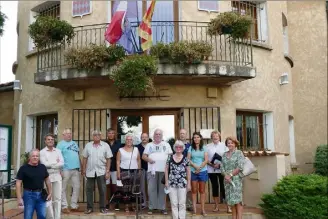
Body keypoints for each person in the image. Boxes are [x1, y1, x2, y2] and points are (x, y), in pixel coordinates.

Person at [142, 129, 173, 215]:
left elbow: (170, 156)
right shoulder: (149, 145)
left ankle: (162, 208)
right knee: (151, 189)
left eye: (159, 134)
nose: (158, 135)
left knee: (162, 190)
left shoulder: (166, 145)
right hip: (152, 171)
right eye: (156, 134)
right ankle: (151, 207)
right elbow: (143, 156)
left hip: (164, 171)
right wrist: (149, 159)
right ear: (154, 136)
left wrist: (168, 165)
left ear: (162, 136)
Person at [82, 130, 112, 214]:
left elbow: (109, 159)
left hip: (101, 171)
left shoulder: (105, 145)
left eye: (98, 135)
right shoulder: (88, 145)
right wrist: (83, 170)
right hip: (90, 171)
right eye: (95, 135)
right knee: (89, 190)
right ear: (92, 136)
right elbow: (84, 158)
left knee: (102, 190)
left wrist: (107, 171)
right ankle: (89, 208)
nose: (96, 136)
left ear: (101, 136)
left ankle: (102, 207)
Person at [16, 149, 52, 219]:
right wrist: (19, 198)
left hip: (41, 195)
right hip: (29, 195)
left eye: (37, 156)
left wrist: (50, 192)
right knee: (28, 216)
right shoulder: (23, 168)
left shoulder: (42, 167)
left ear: (39, 157)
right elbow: (18, 183)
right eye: (33, 156)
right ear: (29, 157)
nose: (35, 157)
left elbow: (47, 180)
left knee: (42, 216)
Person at [56, 128, 81, 213]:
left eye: (70, 133)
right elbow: (57, 158)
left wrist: (79, 167)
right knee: (63, 188)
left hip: (76, 169)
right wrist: (60, 169)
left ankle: (74, 205)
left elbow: (77, 155)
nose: (69, 135)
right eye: (67, 133)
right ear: (63, 135)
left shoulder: (74, 143)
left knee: (76, 187)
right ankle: (64, 206)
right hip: (65, 169)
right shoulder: (60, 144)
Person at [40, 134, 64, 219]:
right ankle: (50, 217)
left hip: (57, 175)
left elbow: (62, 163)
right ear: (45, 141)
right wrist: (55, 163)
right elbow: (44, 164)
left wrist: (51, 164)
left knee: (57, 198)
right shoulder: (42, 152)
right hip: (47, 177)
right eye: (48, 139)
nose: (50, 141)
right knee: (48, 198)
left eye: (52, 139)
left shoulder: (58, 151)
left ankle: (57, 217)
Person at [165, 140, 191, 219]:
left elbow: (188, 171)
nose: (178, 148)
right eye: (176, 147)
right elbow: (166, 169)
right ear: (174, 148)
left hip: (182, 184)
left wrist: (189, 183)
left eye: (180, 147)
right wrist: (166, 182)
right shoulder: (169, 157)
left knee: (182, 203)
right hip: (171, 183)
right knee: (174, 203)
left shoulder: (186, 159)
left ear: (183, 148)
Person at [206, 130, 231, 212]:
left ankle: (228, 207)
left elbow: (228, 157)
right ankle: (216, 206)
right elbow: (205, 159)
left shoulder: (224, 146)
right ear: (211, 138)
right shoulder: (207, 146)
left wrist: (220, 165)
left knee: (224, 188)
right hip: (211, 170)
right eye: (213, 136)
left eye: (217, 136)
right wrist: (212, 164)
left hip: (222, 170)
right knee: (215, 187)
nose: (215, 137)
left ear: (219, 137)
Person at [221, 136, 245, 219]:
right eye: (228, 143)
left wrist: (230, 175)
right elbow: (222, 167)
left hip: (236, 180)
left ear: (235, 144)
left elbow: (240, 167)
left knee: (238, 201)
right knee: (232, 202)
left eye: (232, 143)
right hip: (227, 181)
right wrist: (226, 176)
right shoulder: (224, 154)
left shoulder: (239, 153)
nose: (230, 144)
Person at [116, 134, 141, 213]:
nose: (129, 141)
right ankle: (126, 206)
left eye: (130, 140)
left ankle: (133, 206)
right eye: (127, 139)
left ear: (133, 141)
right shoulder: (120, 150)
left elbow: (138, 160)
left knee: (134, 189)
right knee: (125, 190)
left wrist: (139, 170)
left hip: (135, 171)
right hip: (124, 171)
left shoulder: (136, 149)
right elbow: (117, 162)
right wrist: (118, 172)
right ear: (125, 141)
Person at [187, 132, 208, 216]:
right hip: (193, 171)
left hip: (202, 171)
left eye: (197, 137)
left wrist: (199, 168)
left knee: (202, 191)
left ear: (200, 138)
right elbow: (188, 159)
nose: (196, 139)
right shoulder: (190, 148)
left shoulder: (204, 148)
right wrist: (195, 166)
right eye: (194, 137)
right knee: (194, 191)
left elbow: (206, 160)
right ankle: (194, 210)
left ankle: (203, 210)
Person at [104, 128, 122, 210]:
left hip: (115, 167)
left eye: (112, 133)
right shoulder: (104, 143)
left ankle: (116, 202)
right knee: (107, 185)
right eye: (109, 133)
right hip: (105, 167)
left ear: (115, 134)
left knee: (115, 185)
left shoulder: (119, 143)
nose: (111, 134)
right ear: (107, 134)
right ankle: (107, 202)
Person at [179, 129, 192, 211]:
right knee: (179, 187)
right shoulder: (176, 144)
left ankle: (189, 204)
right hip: (177, 169)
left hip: (187, 168)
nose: (182, 135)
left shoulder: (189, 145)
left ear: (186, 135)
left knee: (188, 186)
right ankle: (180, 204)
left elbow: (190, 157)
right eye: (181, 133)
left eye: (183, 133)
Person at [136, 132, 150, 209]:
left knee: (151, 187)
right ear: (141, 138)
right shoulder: (137, 147)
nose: (144, 138)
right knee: (142, 187)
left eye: (146, 137)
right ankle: (144, 203)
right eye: (143, 137)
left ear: (148, 138)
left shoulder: (151, 146)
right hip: (142, 169)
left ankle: (151, 203)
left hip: (151, 169)